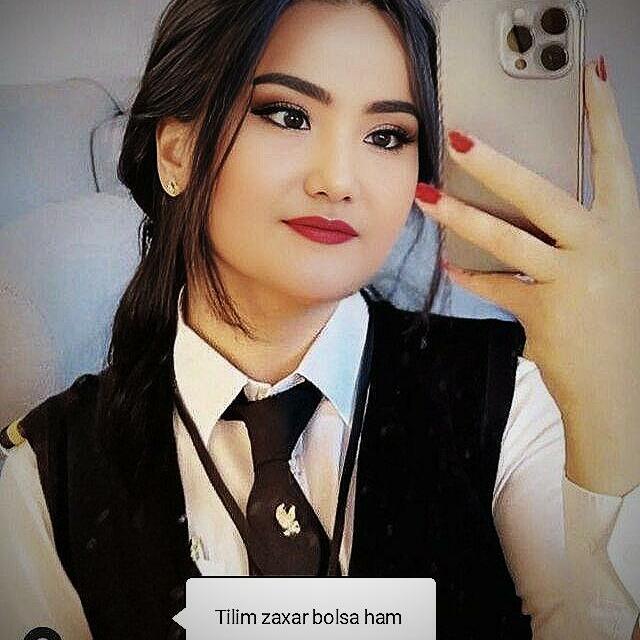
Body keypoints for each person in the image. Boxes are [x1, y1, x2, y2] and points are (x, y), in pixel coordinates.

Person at [1, 0, 638, 638]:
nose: (339, 180)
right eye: (288, 115)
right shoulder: (51, 474)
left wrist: (612, 409)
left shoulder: (510, 398)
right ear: (176, 154)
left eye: (386, 136)